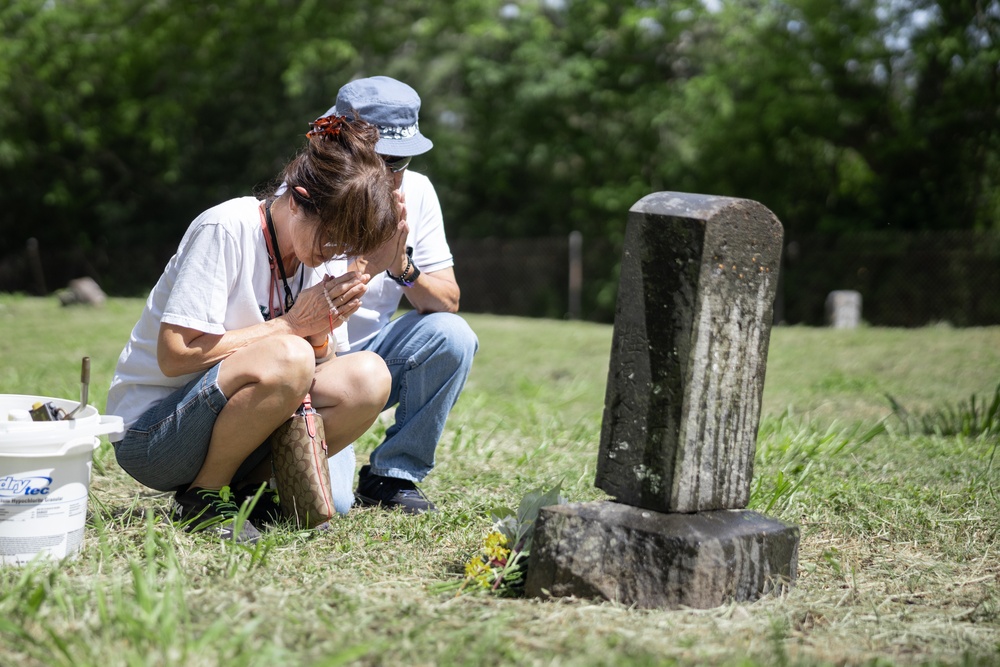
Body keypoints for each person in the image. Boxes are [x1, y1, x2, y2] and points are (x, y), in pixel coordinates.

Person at [106, 114, 405, 543]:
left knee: (369, 377)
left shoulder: (318, 257)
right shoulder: (226, 227)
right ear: (298, 201)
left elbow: (321, 372)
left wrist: (320, 330)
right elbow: (175, 355)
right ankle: (203, 499)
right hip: (154, 437)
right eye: (332, 239)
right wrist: (291, 325)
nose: (335, 253)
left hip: (232, 430)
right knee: (290, 352)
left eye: (347, 244)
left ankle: (252, 491)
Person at [325, 76, 478, 514]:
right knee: (333, 504)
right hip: (310, 362)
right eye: (381, 160)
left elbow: (446, 301)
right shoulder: (307, 193)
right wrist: (366, 263)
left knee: (452, 334)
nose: (392, 174)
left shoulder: (419, 192)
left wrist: (400, 266)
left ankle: (392, 475)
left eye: (402, 160)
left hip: (372, 358)